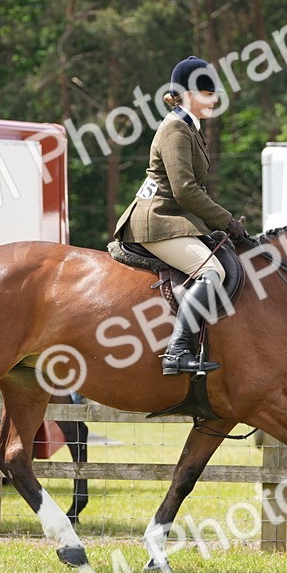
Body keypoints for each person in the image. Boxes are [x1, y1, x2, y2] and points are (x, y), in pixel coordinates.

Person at [113, 55, 246, 376]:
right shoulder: (175, 129)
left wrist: (210, 228)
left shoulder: (189, 128)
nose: (214, 98)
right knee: (210, 272)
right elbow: (184, 190)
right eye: (207, 92)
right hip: (155, 221)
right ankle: (177, 350)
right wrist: (224, 220)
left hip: (172, 219)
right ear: (188, 95)